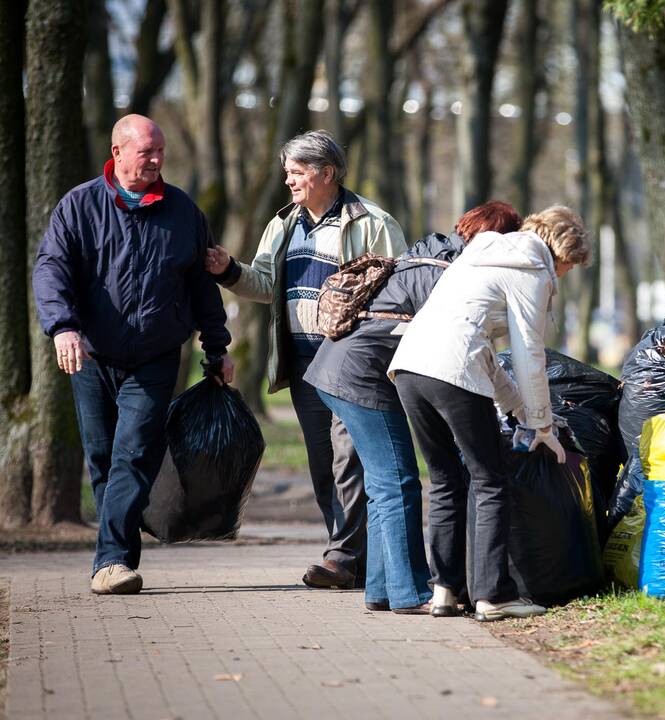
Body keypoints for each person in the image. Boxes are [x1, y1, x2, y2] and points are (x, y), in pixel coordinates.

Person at [32, 114, 234, 595]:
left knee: (134, 454)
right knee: (103, 458)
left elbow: (202, 286)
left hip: (156, 355)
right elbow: (51, 268)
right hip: (91, 355)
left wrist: (217, 348)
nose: (157, 160)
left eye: (161, 151)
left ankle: (112, 561)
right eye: (147, 152)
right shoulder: (79, 206)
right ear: (117, 152)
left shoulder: (183, 211)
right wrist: (63, 327)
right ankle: (116, 552)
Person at [205, 130, 407, 590]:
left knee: (348, 458)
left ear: (326, 173)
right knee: (322, 463)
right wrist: (227, 270)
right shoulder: (283, 224)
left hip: (351, 362)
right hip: (302, 363)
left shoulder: (371, 222)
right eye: (287, 173)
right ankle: (352, 556)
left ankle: (342, 558)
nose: (288, 181)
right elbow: (263, 284)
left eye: (296, 173)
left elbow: (396, 293)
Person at [304, 201, 523, 614]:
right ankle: (413, 594)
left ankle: (381, 589)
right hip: (361, 376)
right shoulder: (455, 274)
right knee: (399, 482)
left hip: (334, 368)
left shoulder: (425, 255)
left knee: (383, 485)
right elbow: (463, 347)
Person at [388, 205, 590, 622]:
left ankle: (445, 591)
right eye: (568, 268)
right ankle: (494, 596)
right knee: (491, 479)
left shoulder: (479, 254)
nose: (564, 278)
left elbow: (481, 349)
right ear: (560, 253)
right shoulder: (532, 269)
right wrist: (542, 424)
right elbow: (528, 352)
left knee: (445, 481)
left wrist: (517, 408)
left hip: (409, 366)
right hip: (452, 370)